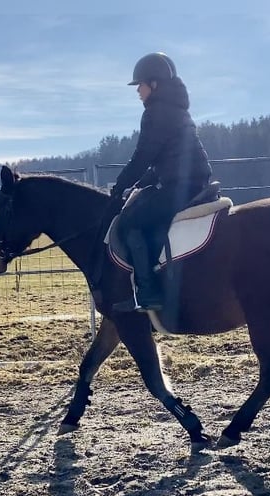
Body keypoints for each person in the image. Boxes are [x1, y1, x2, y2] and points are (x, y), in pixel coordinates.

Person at [110, 52, 212, 313]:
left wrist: (120, 186)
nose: (138, 91)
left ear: (154, 84)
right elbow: (163, 159)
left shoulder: (156, 112)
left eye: (140, 85)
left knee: (129, 220)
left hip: (179, 186)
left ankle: (148, 291)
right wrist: (142, 183)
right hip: (194, 182)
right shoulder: (177, 110)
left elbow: (143, 156)